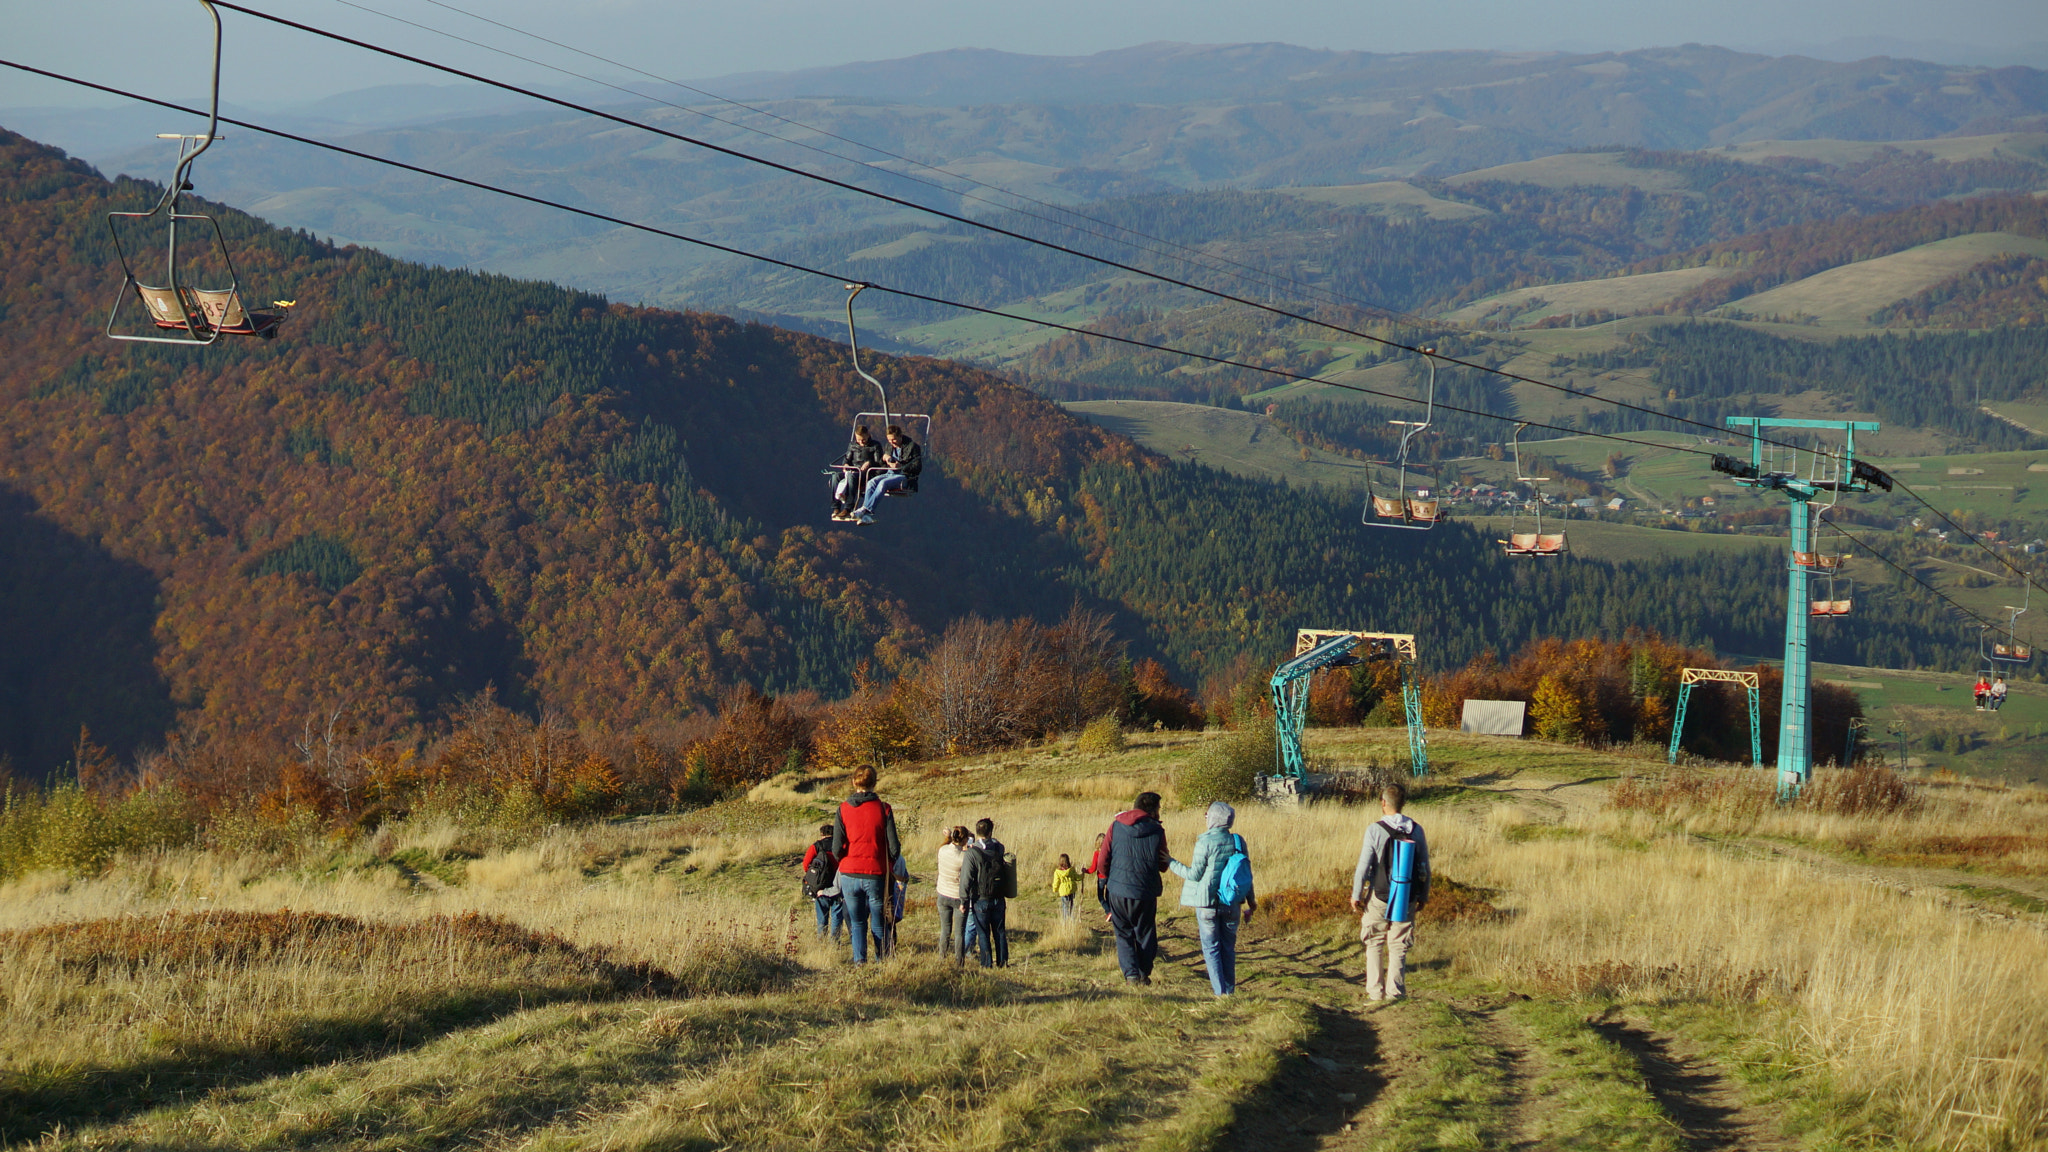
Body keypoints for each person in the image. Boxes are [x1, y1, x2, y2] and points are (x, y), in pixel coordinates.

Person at [1350, 783, 1432, 1002]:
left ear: (1383, 802)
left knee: (1374, 941)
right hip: (1406, 895)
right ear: (1403, 803)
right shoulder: (1416, 829)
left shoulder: (1375, 830)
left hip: (1379, 895)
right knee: (1398, 944)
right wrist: (1423, 895)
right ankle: (1395, 992)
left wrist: (1356, 894)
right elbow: (1424, 866)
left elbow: (1363, 866)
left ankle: (1375, 992)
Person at [1170, 801, 1257, 997]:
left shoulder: (1205, 842)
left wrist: (1171, 863)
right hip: (1232, 902)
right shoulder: (1238, 841)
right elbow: (1245, 874)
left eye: (1207, 814)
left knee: (1211, 948)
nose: (1205, 817)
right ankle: (1230, 991)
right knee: (1228, 948)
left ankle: (1220, 993)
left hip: (1206, 903)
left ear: (1213, 818)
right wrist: (1251, 901)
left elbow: (1194, 874)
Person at [831, 766, 901, 964]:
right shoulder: (883, 809)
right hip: (875, 873)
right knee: (878, 923)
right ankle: (882, 962)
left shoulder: (843, 809)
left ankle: (859, 962)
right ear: (874, 783)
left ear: (854, 782)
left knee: (857, 922)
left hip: (849, 873)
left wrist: (845, 858)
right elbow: (894, 847)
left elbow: (836, 847)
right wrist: (889, 861)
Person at [1101, 791, 1170, 985]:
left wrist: (1108, 878)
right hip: (1145, 891)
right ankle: (1143, 972)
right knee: (1145, 933)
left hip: (1117, 890)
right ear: (1153, 810)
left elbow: (1103, 859)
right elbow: (1163, 864)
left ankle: (1131, 975)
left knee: (1123, 933)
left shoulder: (1116, 826)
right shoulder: (1157, 831)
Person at [958, 817, 1010, 968]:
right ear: (991, 831)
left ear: (976, 832)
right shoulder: (1000, 848)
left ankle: (986, 964)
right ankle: (1003, 962)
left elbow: (966, 879)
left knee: (983, 933)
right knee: (1000, 931)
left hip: (980, 898)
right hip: (998, 896)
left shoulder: (972, 852)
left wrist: (963, 900)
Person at [851, 424, 922, 525]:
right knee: (871, 482)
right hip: (889, 473)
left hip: (904, 476)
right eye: (889, 440)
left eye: (894, 440)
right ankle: (867, 515)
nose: (892, 442)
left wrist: (901, 467)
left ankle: (865, 509)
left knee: (883, 483)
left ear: (900, 436)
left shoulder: (913, 447)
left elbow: (917, 467)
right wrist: (885, 459)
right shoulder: (889, 446)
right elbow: (881, 463)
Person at [827, 424, 882, 521]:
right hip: (853, 470)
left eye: (863, 440)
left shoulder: (875, 446)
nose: (861, 442)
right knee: (835, 476)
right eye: (858, 440)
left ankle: (848, 508)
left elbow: (879, 462)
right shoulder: (852, 445)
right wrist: (846, 465)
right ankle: (836, 507)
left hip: (866, 474)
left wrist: (869, 463)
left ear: (868, 435)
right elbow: (847, 459)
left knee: (851, 477)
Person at [800, 822, 844, 941]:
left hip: (820, 885)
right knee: (837, 914)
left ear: (822, 834)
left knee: (822, 915)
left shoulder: (816, 846)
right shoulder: (841, 846)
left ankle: (821, 940)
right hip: (838, 884)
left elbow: (805, 865)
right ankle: (834, 941)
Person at [935, 825, 970, 963]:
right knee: (959, 932)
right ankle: (959, 962)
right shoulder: (964, 857)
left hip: (942, 894)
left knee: (945, 930)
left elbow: (947, 845)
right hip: (958, 897)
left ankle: (941, 957)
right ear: (965, 840)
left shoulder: (942, 850)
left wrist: (947, 836)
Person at [1085, 831, 1112, 922]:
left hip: (1101, 877)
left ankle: (1108, 912)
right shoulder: (1110, 852)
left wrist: (1085, 871)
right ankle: (1112, 912)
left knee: (1100, 897)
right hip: (1110, 876)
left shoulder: (1097, 853)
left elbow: (1093, 868)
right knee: (1108, 896)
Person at [1051, 853, 1084, 922]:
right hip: (1072, 889)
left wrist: (1055, 889)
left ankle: (1065, 921)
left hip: (1063, 891)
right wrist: (1082, 874)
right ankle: (1072, 920)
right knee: (1071, 904)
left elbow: (1056, 882)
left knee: (1065, 906)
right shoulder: (1071, 870)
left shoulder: (1057, 872)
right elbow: (1077, 878)